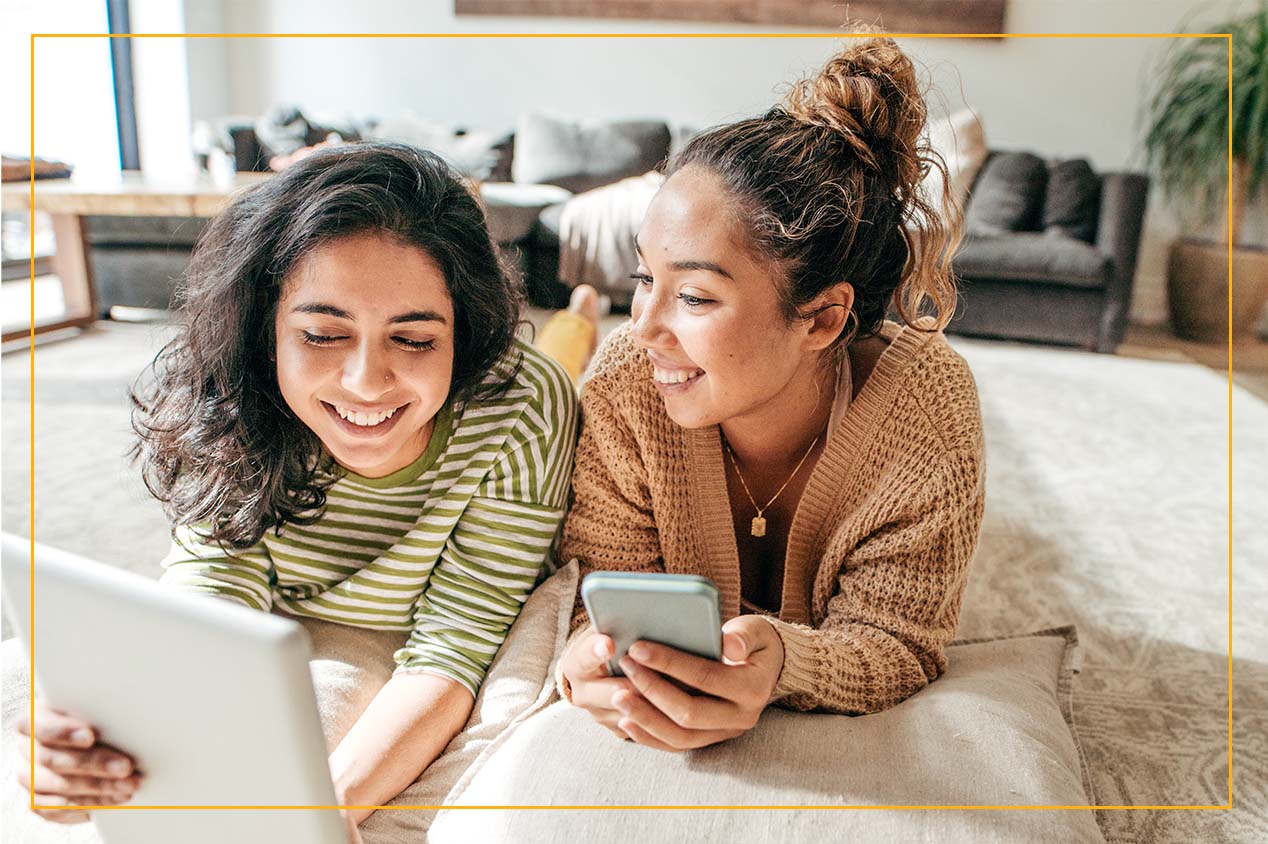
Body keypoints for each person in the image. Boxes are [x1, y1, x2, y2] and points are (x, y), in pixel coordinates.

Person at [13, 143, 579, 837]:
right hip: (293, 612)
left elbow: (454, 644)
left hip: (429, 590)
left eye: (415, 339)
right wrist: (104, 739)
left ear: (465, 333)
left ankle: (577, 311)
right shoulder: (232, 396)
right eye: (321, 334)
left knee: (571, 348)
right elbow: (210, 594)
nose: (366, 382)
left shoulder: (519, 403)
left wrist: (318, 814)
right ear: (264, 330)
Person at [557, 35, 986, 750]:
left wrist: (789, 662)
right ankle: (573, 312)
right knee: (559, 355)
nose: (644, 327)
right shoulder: (624, 385)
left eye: (693, 296)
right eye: (642, 280)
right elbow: (595, 592)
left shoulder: (926, 414)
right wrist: (586, 660)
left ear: (821, 318)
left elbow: (901, 641)